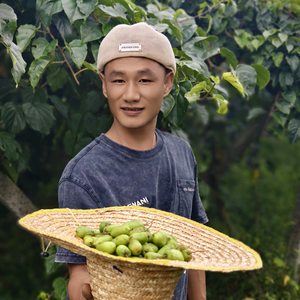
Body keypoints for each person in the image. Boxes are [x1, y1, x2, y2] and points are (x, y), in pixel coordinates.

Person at [55, 22, 208, 300]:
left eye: (145, 80)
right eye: (118, 80)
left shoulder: (181, 152)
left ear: (167, 83)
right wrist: (82, 290)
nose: (130, 95)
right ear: (104, 85)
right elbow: (79, 272)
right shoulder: (83, 175)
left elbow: (193, 250)